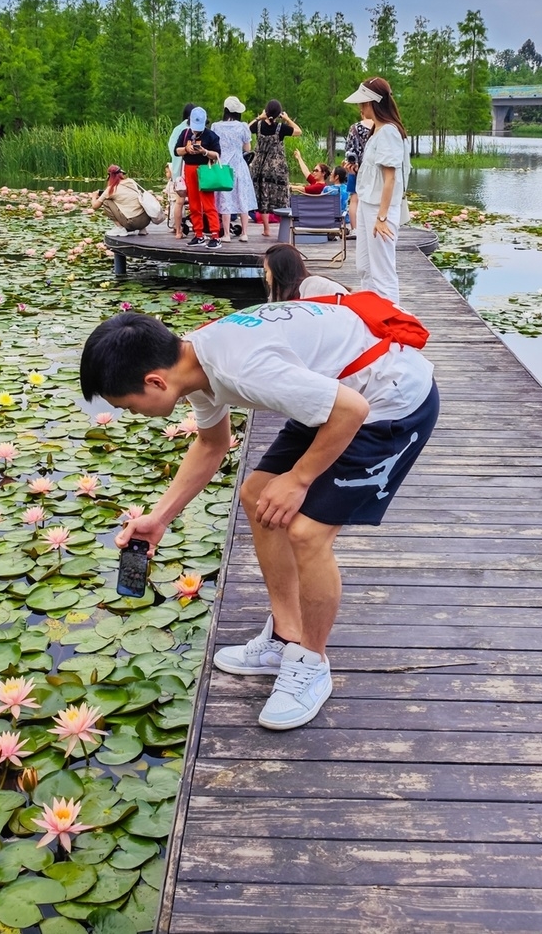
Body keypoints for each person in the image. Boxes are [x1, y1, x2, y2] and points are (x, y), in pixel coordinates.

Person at [82, 303, 439, 730]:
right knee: (256, 495)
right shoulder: (193, 359)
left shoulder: (240, 367)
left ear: (154, 381)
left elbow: (351, 411)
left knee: (307, 532)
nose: (128, 413)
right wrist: (159, 518)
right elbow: (213, 445)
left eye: (127, 405)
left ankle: (311, 662)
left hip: (388, 401)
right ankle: (285, 638)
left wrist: (299, 479)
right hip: (336, 391)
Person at [345, 77, 411, 301]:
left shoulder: (389, 132)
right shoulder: (376, 130)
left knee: (382, 272)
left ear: (373, 103)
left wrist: (382, 217)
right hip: (366, 204)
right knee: (365, 267)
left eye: (363, 102)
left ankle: (392, 324)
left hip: (379, 210)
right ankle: (372, 318)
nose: (360, 108)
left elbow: (390, 178)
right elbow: (375, 171)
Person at [211, 97, 258, 239]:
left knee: (225, 198)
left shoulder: (216, 126)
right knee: (241, 197)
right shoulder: (242, 126)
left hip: (222, 165)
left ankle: (226, 234)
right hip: (239, 164)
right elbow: (247, 147)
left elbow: (214, 146)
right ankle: (244, 233)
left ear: (225, 110)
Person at [175, 106, 223, 249]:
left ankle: (215, 235)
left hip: (205, 170)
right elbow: (176, 151)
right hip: (189, 169)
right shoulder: (185, 133)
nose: (195, 130)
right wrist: (186, 149)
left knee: (209, 204)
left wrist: (204, 151)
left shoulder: (211, 135)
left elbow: (217, 154)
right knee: (194, 204)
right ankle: (198, 234)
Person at [249, 100, 297, 236]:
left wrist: (259, 117)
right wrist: (288, 119)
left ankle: (266, 229)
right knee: (281, 197)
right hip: (276, 167)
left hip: (259, 167)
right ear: (278, 114)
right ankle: (283, 229)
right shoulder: (280, 128)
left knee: (263, 197)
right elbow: (299, 131)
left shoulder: (258, 126)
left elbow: (245, 129)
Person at [263, 242, 349, 302]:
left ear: (279, 271)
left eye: (267, 271)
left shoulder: (313, 286)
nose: (266, 277)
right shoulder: (283, 293)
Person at [91, 165, 159, 234]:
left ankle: (120, 229)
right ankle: (142, 229)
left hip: (132, 223)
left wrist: (94, 197)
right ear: (121, 174)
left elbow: (95, 206)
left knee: (106, 202)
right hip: (146, 220)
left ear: (109, 177)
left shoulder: (110, 190)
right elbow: (126, 194)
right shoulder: (131, 181)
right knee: (135, 201)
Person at [344, 113, 372, 221]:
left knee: (354, 199)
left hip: (355, 168)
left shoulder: (354, 128)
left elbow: (348, 149)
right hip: (373, 169)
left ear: (362, 113)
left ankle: (355, 228)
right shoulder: (379, 127)